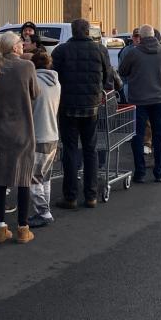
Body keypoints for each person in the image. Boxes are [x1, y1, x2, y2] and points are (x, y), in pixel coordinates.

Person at [51, 18, 113, 208]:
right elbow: (107, 76)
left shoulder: (61, 51)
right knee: (90, 149)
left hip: (68, 107)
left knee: (69, 150)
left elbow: (54, 77)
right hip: (91, 107)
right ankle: (91, 195)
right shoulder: (100, 50)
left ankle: (70, 196)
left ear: (72, 31)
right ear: (88, 31)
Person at [0, 32, 39, 243]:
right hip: (24, 128)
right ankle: (23, 228)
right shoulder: (27, 67)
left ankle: (0, 228)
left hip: (0, 129)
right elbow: (35, 93)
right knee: (23, 179)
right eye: (20, 42)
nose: (23, 45)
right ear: (14, 47)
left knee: (1, 180)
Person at [119, 24, 161, 182]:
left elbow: (122, 71)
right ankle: (159, 171)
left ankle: (140, 172)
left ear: (142, 37)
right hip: (160, 100)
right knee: (159, 136)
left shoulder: (134, 53)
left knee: (138, 136)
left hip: (138, 100)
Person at [28, 49, 61, 229]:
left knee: (34, 177)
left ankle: (43, 212)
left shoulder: (33, 83)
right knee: (45, 176)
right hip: (53, 134)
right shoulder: (56, 83)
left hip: (38, 135)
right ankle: (44, 209)